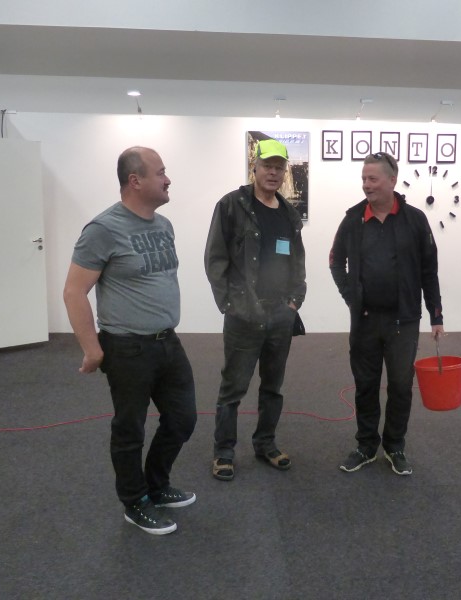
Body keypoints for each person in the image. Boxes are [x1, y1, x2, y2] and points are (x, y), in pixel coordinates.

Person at [63, 146, 197, 535]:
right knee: (130, 429)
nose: (168, 179)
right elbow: (74, 292)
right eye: (161, 173)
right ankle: (134, 501)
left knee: (183, 419)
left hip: (167, 341)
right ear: (135, 181)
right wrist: (92, 348)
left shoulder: (163, 225)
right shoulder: (103, 230)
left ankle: (156, 485)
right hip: (127, 348)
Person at [329, 151, 444, 476]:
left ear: (392, 180)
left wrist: (436, 315)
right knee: (365, 384)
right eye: (364, 179)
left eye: (373, 179)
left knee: (400, 386)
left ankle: (394, 446)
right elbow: (336, 261)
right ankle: (366, 446)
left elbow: (429, 270)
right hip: (364, 320)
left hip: (403, 321)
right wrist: (351, 296)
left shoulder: (415, 220)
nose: (366, 185)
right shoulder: (353, 219)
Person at [204, 138, 306, 481]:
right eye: (267, 166)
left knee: (273, 387)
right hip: (244, 313)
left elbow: (297, 260)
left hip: (280, 315)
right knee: (233, 388)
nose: (273, 173)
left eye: (279, 167)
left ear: (284, 172)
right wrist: (229, 303)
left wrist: (294, 301)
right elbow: (215, 258)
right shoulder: (231, 205)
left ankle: (265, 444)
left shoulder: (289, 213)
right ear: (255, 168)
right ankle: (224, 452)